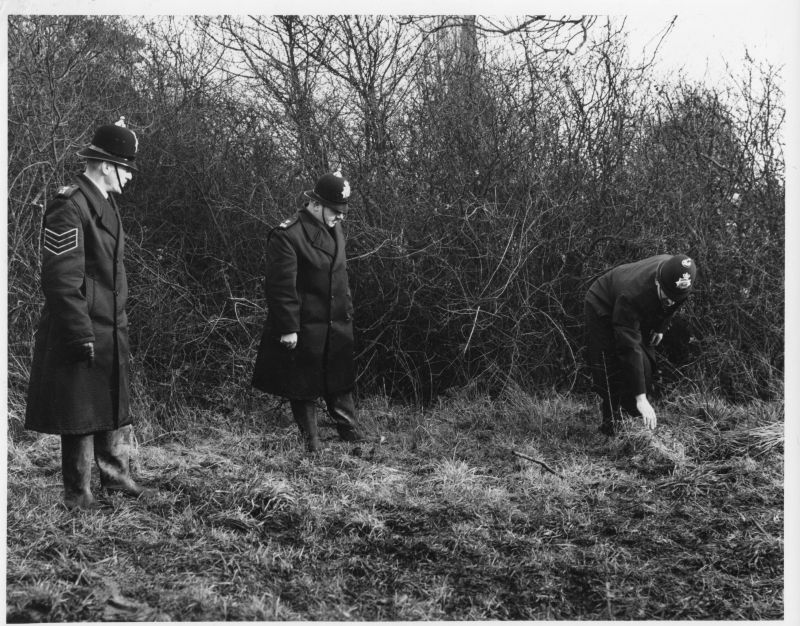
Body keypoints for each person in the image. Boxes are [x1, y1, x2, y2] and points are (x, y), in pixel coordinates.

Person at [25, 118, 149, 509]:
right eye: (126, 169)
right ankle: (77, 496)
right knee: (78, 412)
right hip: (79, 326)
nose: (129, 178)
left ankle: (116, 478)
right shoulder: (69, 205)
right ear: (106, 165)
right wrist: (80, 334)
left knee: (109, 402)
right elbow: (62, 282)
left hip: (110, 325)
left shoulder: (104, 202)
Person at [252, 172, 369, 453]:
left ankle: (350, 433)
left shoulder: (333, 227)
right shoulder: (288, 235)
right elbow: (281, 288)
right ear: (315, 205)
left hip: (336, 321)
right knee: (303, 385)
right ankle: (313, 444)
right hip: (306, 326)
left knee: (339, 379)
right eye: (335, 211)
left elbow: (341, 276)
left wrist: (348, 310)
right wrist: (288, 328)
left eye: (343, 212)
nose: (340, 217)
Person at [584, 253, 698, 436]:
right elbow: (629, 347)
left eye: (674, 298)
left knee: (646, 364)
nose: (670, 302)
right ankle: (611, 424)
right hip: (602, 303)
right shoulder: (634, 294)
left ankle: (634, 415)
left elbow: (674, 303)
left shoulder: (679, 282)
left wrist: (661, 327)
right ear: (658, 283)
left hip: (639, 308)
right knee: (611, 364)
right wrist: (641, 398)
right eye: (667, 296)